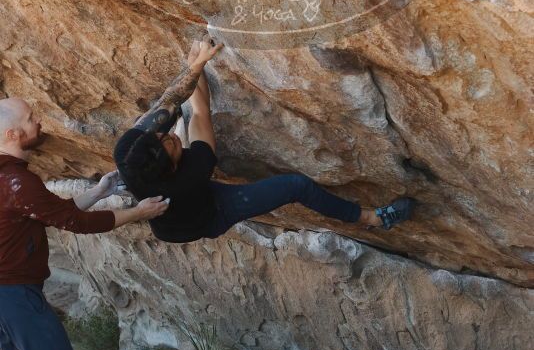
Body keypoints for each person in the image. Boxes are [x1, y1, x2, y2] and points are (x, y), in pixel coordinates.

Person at [0, 97, 169, 350]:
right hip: (14, 294)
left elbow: (52, 212)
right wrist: (136, 213)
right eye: (31, 119)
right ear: (12, 133)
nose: (39, 123)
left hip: (6, 294)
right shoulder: (16, 181)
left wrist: (99, 190)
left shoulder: (12, 180)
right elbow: (74, 223)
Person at [114, 35, 415, 245]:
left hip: (177, 194)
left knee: (178, 113)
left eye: (164, 136)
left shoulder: (128, 150)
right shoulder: (193, 174)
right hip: (206, 217)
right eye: (174, 146)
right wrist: (198, 66)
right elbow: (200, 110)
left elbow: (171, 99)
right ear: (174, 167)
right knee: (296, 186)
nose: (168, 137)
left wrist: (195, 64)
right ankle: (371, 218)